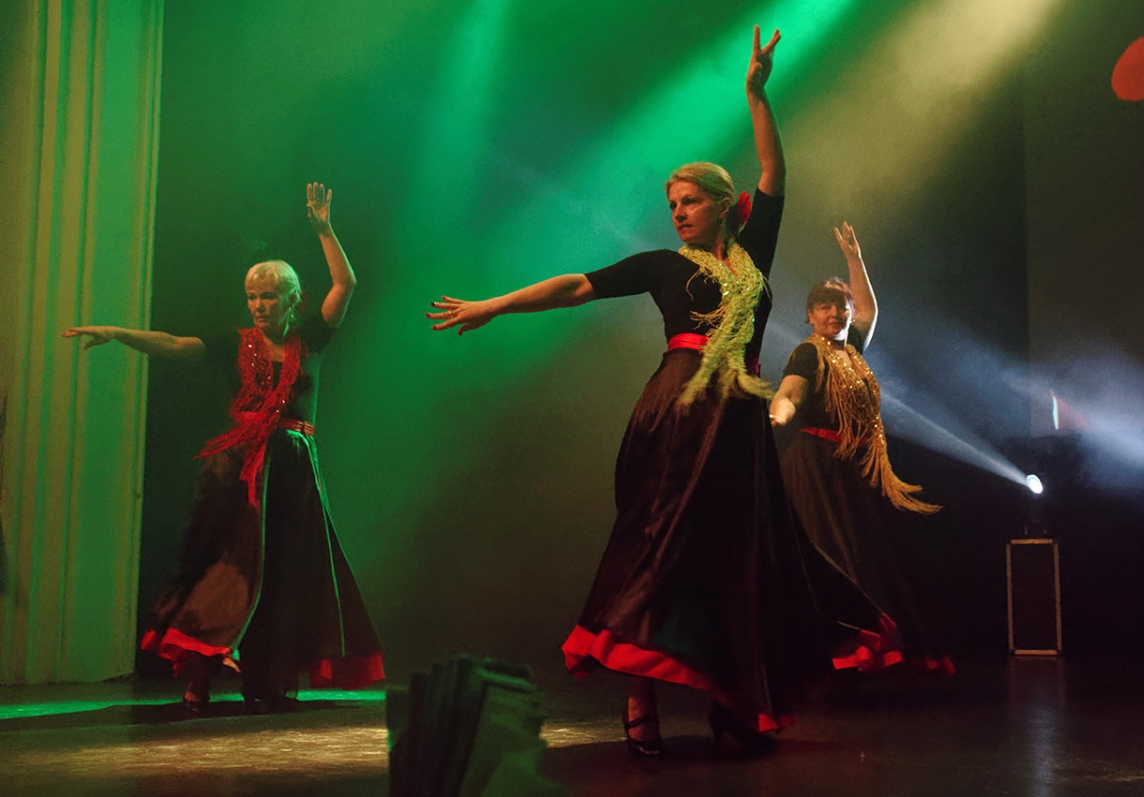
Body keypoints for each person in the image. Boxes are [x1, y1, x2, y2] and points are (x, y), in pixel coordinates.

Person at [430, 27, 873, 756]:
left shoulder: (753, 256)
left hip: (736, 421)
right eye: (672, 203)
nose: (678, 212)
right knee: (659, 545)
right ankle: (640, 697)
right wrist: (495, 304)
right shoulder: (664, 265)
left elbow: (773, 168)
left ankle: (734, 696)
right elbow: (577, 285)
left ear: (724, 206)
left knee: (735, 556)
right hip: (679, 411)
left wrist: (756, 94)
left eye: (690, 201)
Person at [63, 183, 384, 713]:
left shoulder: (311, 340)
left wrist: (324, 230)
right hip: (237, 471)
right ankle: (199, 679)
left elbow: (345, 283)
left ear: (293, 299)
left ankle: (267, 679)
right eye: (252, 297)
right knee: (226, 569)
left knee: (282, 575)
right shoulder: (233, 343)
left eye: (269, 296)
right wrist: (120, 332)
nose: (258, 305)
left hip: (293, 474)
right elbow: (175, 344)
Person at [769, 223, 952, 674]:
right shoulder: (808, 354)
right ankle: (830, 654)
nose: (835, 313)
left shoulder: (850, 349)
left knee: (866, 556)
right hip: (815, 468)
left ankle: (869, 650)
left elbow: (869, 311)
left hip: (847, 468)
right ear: (810, 315)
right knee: (834, 556)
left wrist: (854, 258)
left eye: (841, 306)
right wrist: (779, 413)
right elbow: (790, 391)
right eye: (824, 306)